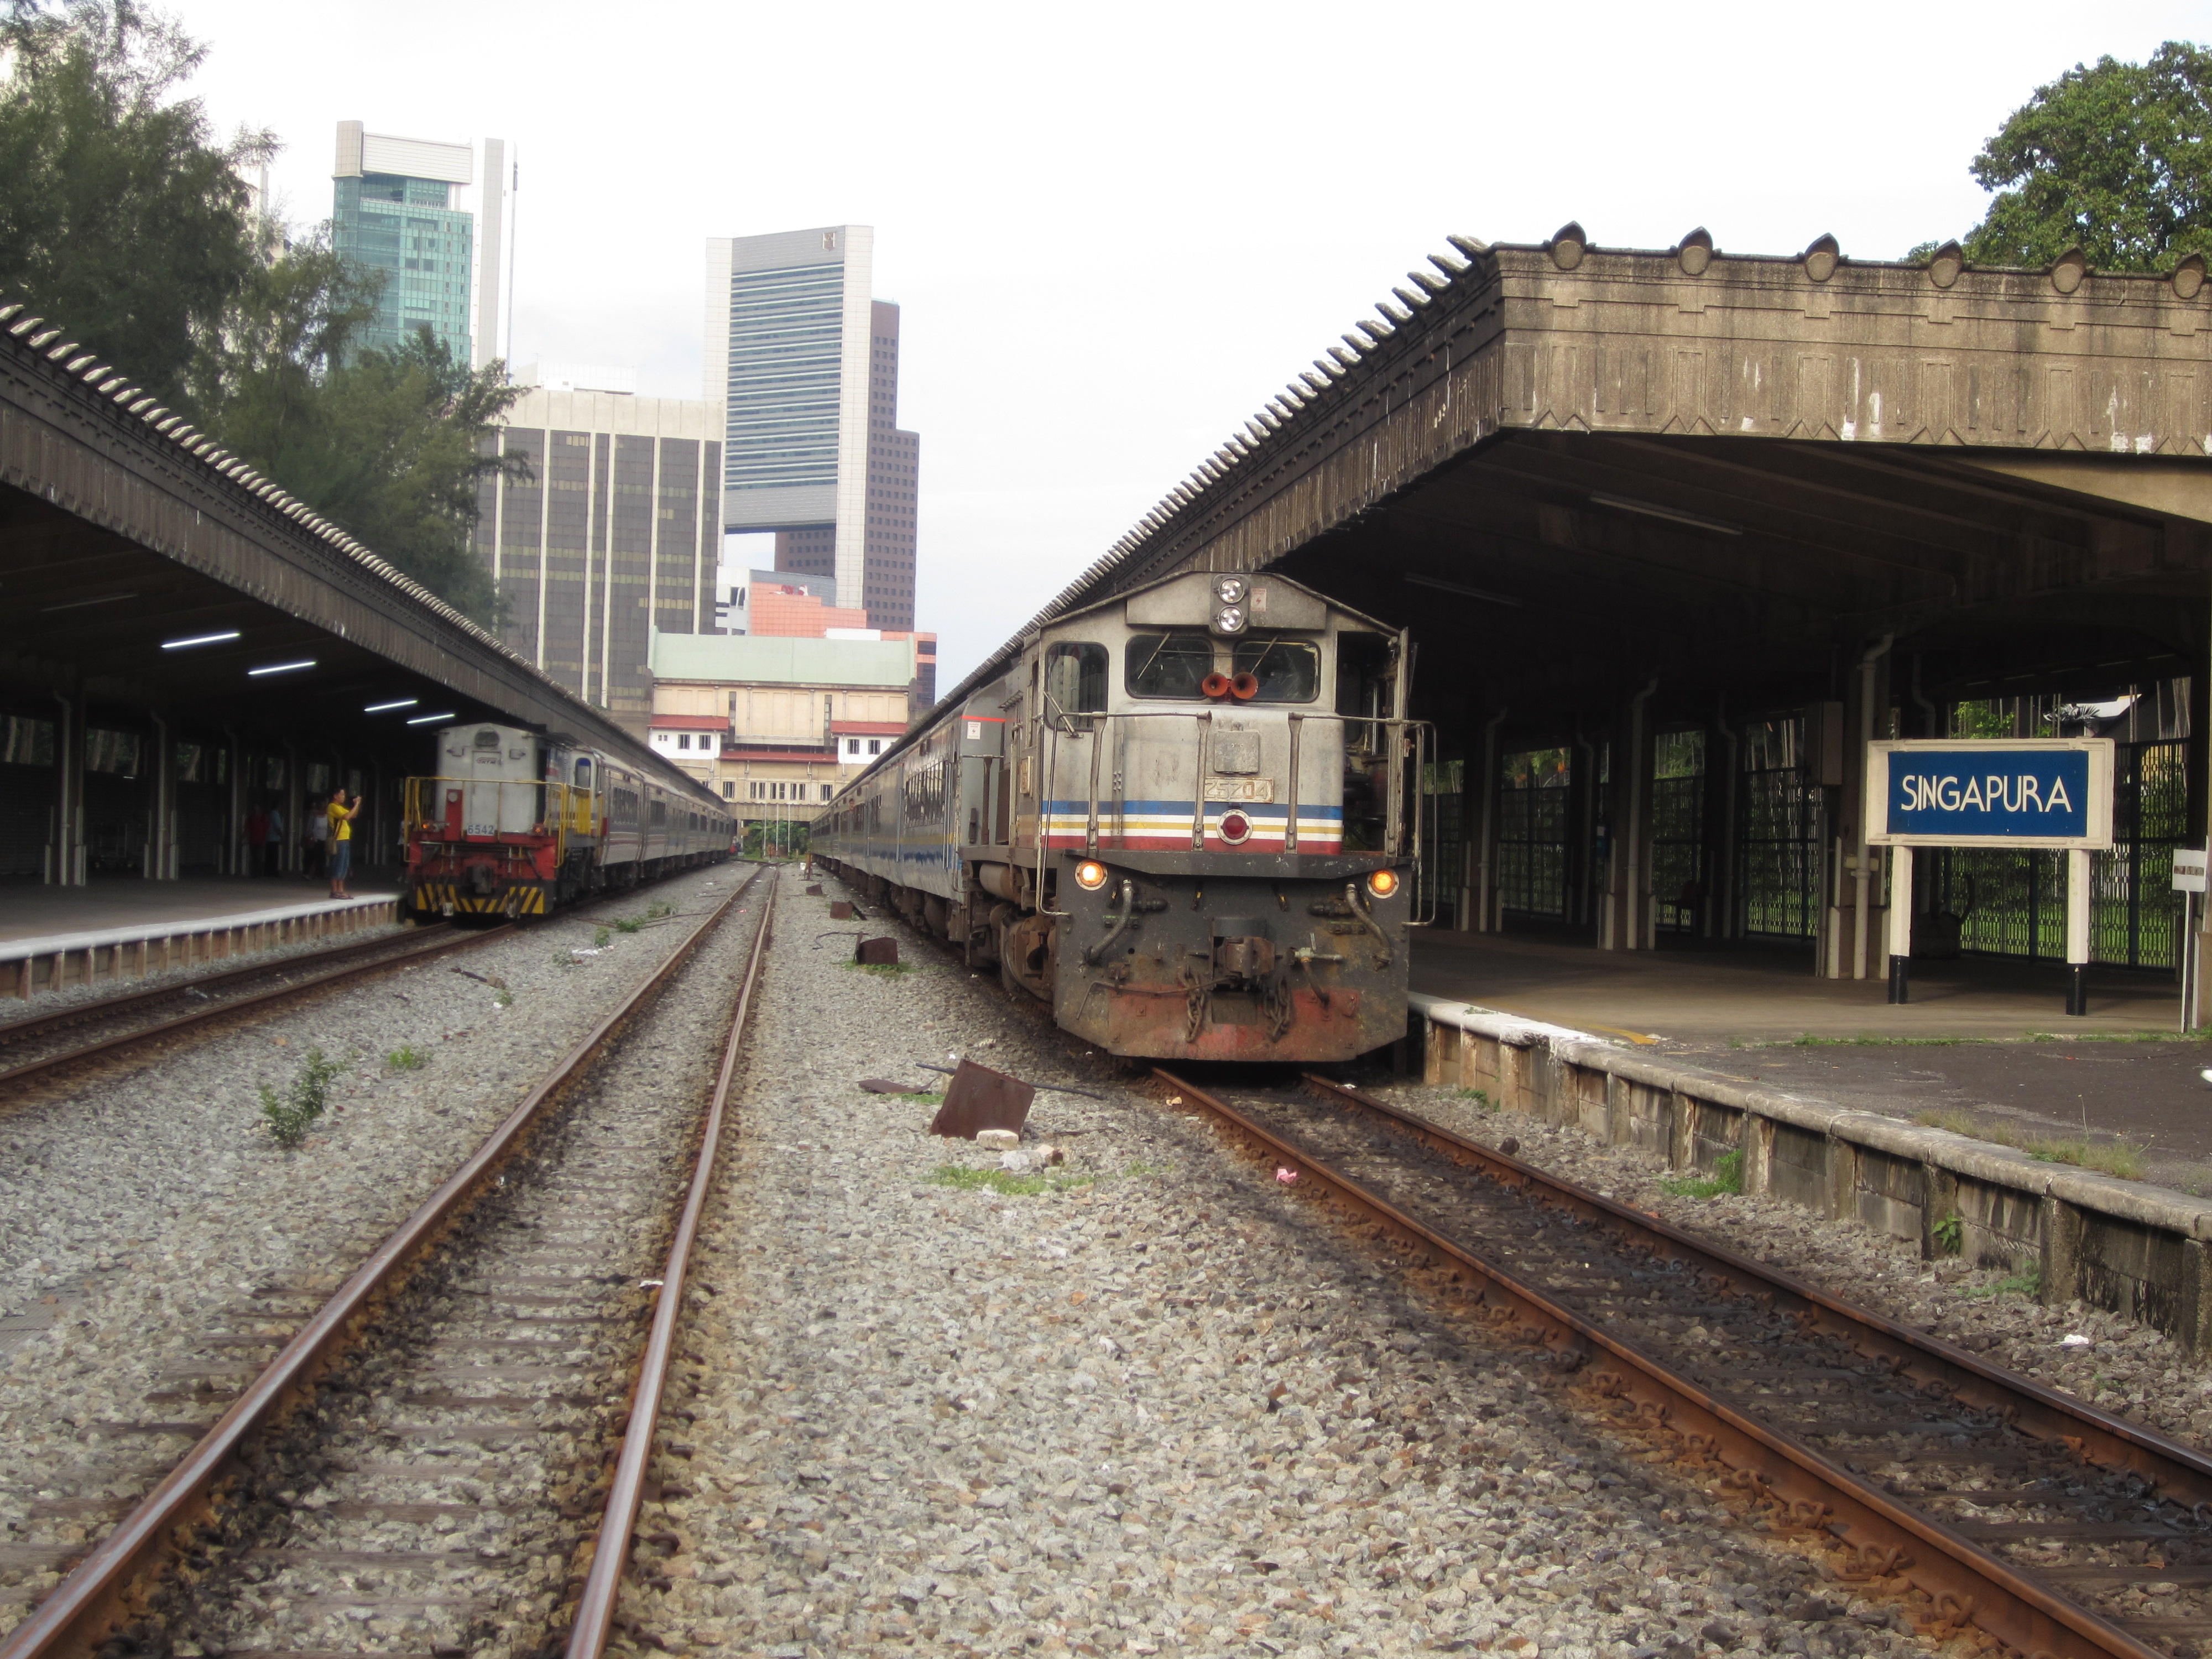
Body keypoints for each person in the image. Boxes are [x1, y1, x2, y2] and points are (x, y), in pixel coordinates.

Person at [327, 788, 360, 899]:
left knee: (344, 866)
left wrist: (357, 804)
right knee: (337, 864)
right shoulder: (333, 806)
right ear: (335, 796)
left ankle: (340, 890)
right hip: (338, 840)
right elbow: (347, 817)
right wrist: (356, 805)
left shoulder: (340, 807)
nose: (344, 797)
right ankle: (334, 890)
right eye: (342, 794)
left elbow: (353, 815)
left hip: (345, 840)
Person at [243, 801, 269, 877]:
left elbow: (266, 830)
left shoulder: (263, 817)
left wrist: (265, 840)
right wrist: (244, 837)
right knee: (254, 857)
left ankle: (259, 872)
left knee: (259, 857)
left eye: (257, 807)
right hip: (253, 840)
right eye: (255, 807)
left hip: (260, 840)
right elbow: (247, 828)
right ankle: (254, 873)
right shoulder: (251, 818)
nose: (256, 809)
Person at [302, 801, 325, 879]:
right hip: (311, 836)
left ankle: (314, 873)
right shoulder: (313, 812)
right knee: (310, 855)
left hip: (317, 837)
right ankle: (307, 873)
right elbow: (322, 812)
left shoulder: (318, 814)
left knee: (316, 856)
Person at [265, 803, 285, 877]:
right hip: (274, 839)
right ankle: (273, 871)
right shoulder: (276, 815)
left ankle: (268, 871)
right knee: (274, 857)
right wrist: (282, 837)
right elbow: (278, 828)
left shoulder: (270, 814)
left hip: (269, 838)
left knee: (269, 856)